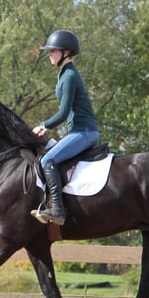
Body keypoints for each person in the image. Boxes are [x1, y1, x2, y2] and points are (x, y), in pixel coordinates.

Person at [31, 29, 99, 225]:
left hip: (83, 132)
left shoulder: (69, 76)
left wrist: (43, 125)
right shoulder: (64, 74)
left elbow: (63, 112)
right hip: (78, 131)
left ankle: (58, 211)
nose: (49, 55)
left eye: (52, 51)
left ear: (66, 53)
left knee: (47, 160)